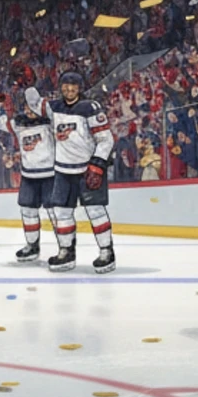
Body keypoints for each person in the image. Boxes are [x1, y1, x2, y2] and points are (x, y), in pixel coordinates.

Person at [46, 70, 118, 274]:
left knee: (95, 210)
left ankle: (106, 252)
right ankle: (66, 252)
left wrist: (97, 164)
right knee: (62, 212)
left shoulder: (90, 107)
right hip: (63, 170)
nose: (69, 89)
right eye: (65, 85)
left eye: (73, 86)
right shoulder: (54, 108)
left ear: (80, 88)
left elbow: (106, 138)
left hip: (87, 169)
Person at [0, 85, 55, 262]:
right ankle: (32, 246)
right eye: (26, 107)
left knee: (57, 213)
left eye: (32, 107)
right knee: (28, 211)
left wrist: (35, 98)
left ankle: (65, 247)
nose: (28, 110)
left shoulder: (50, 122)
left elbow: (51, 110)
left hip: (51, 175)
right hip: (29, 176)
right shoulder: (19, 124)